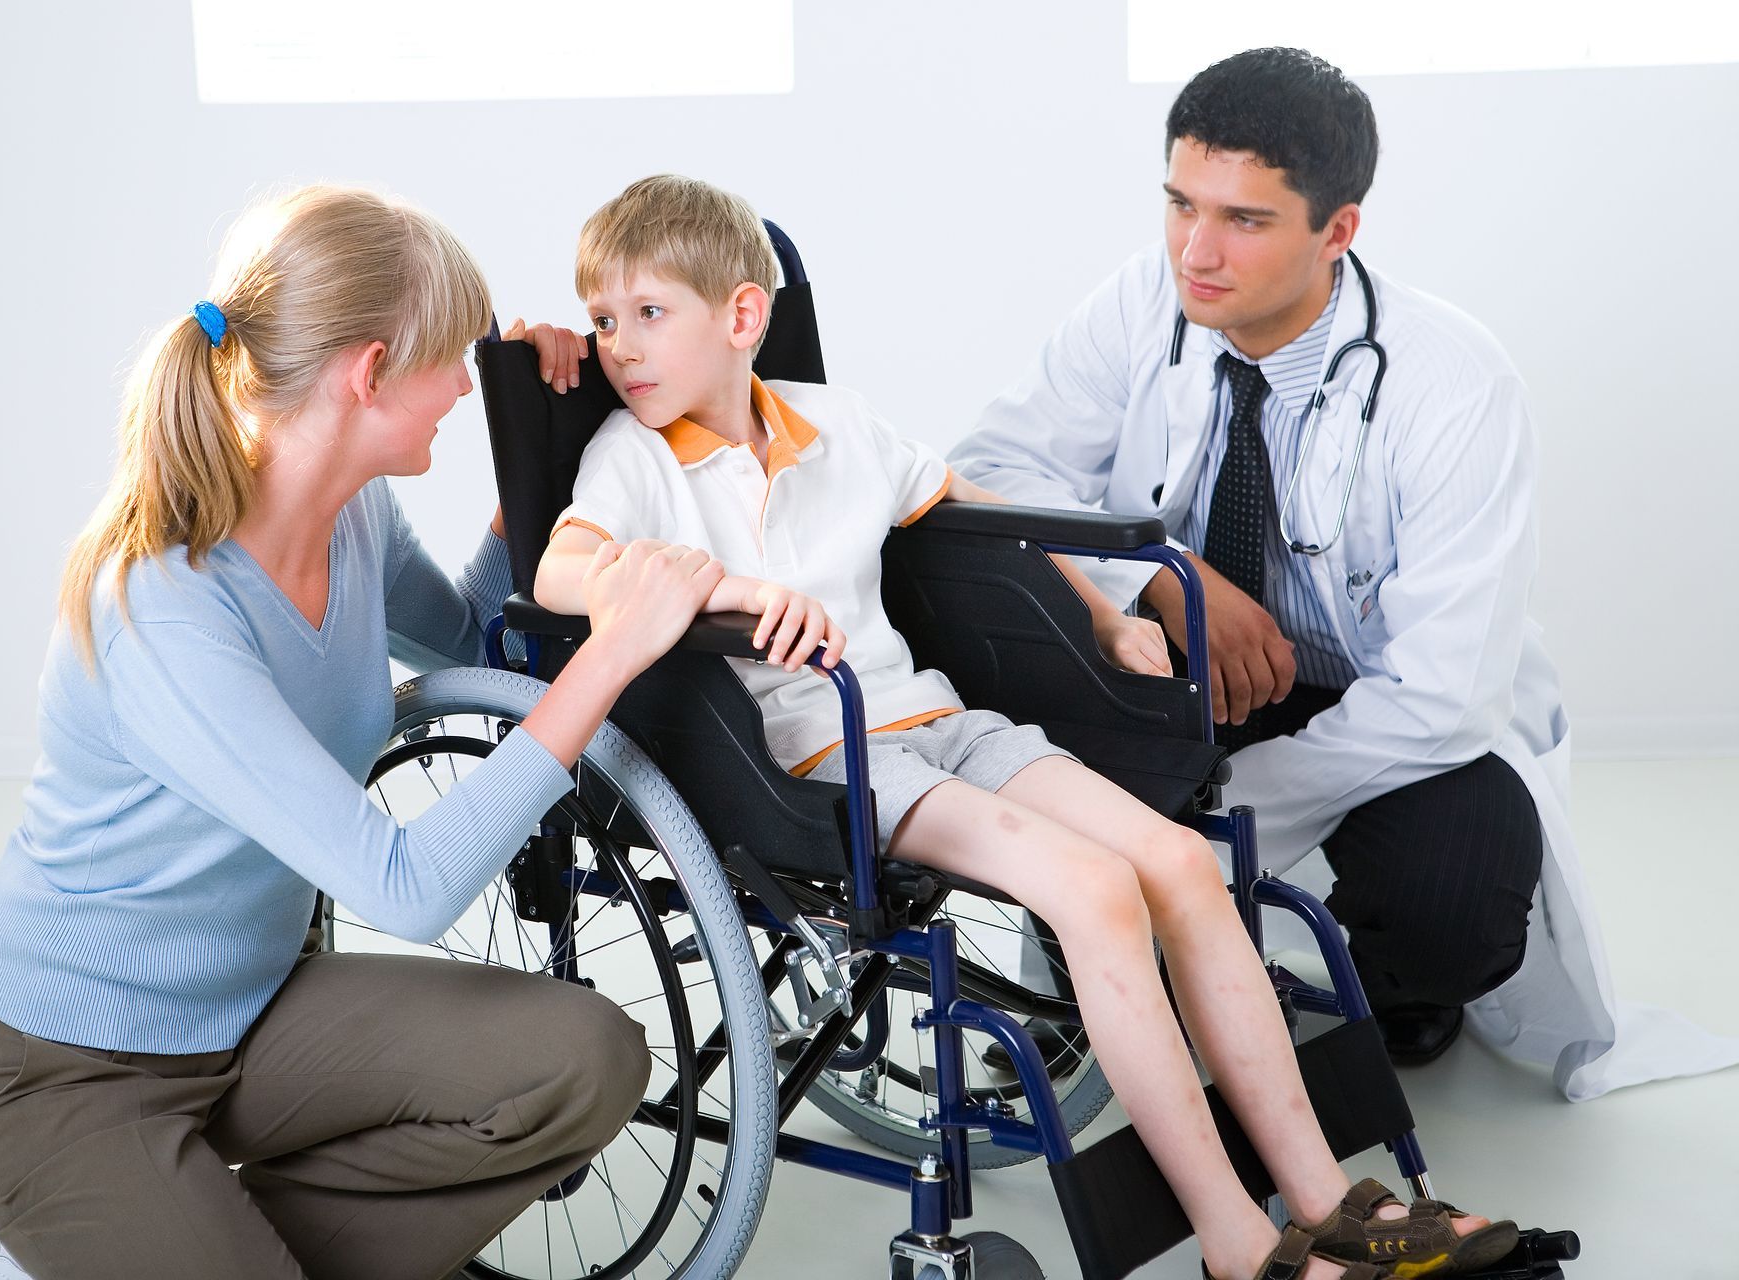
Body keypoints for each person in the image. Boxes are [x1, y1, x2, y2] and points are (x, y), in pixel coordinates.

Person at [536, 173, 1518, 1280]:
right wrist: (709, 586)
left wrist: (1102, 612)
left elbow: (975, 508)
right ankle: (1239, 1246)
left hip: (943, 721)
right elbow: (561, 570)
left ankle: (1326, 1198)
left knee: (1178, 864)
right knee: (1095, 893)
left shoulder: (835, 422)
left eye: (648, 313)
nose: (620, 347)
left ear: (742, 316)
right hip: (825, 760)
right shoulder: (633, 455)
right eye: (603, 320)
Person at [0, 184, 726, 1280]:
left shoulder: (353, 516)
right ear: (369, 372)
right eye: (454, 360)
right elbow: (405, 888)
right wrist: (611, 653)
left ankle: (169, 1235)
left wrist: (538, 441)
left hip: (257, 1010)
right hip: (73, 1065)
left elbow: (474, 642)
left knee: (583, 1060)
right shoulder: (165, 611)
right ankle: (85, 1235)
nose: (465, 383)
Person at [949, 47, 1739, 1096]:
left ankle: (1392, 991)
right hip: (1198, 669)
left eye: (1245, 219)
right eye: (1181, 204)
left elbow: (1444, 693)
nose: (1196, 250)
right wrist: (1164, 575)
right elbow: (994, 472)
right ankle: (1109, 973)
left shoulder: (1453, 385)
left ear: (1338, 230)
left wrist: (1220, 824)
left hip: (1386, 700)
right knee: (1038, 667)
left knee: (1452, 903)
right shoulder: (1144, 300)